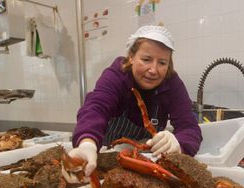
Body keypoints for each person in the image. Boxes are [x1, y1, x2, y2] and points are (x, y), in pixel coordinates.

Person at [70, 25, 202, 177]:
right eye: (146, 59)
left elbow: (190, 127)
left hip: (148, 164)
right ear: (131, 57)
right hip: (108, 160)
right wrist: (87, 144)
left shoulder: (172, 84)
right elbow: (96, 107)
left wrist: (180, 144)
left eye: (162, 63)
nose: (153, 70)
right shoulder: (116, 75)